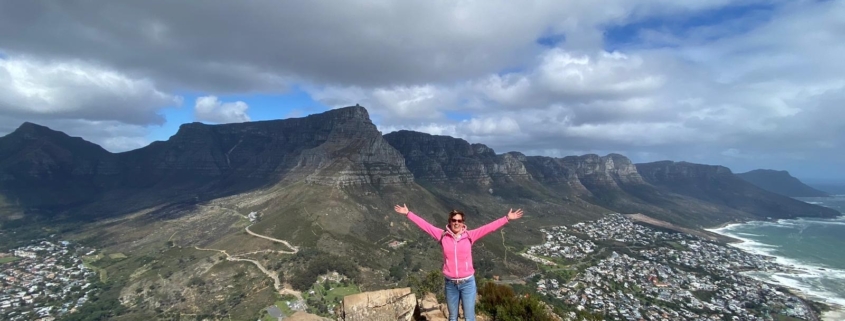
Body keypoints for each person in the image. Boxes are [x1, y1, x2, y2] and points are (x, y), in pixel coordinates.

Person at [393, 204, 523, 321]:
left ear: (463, 222)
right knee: (452, 317)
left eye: (459, 220)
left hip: (468, 283)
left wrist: (507, 218)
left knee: (469, 317)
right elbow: (426, 226)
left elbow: (489, 228)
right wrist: (408, 214)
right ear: (449, 222)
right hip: (450, 284)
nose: (456, 223)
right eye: (454, 220)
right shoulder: (442, 235)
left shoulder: (470, 235)